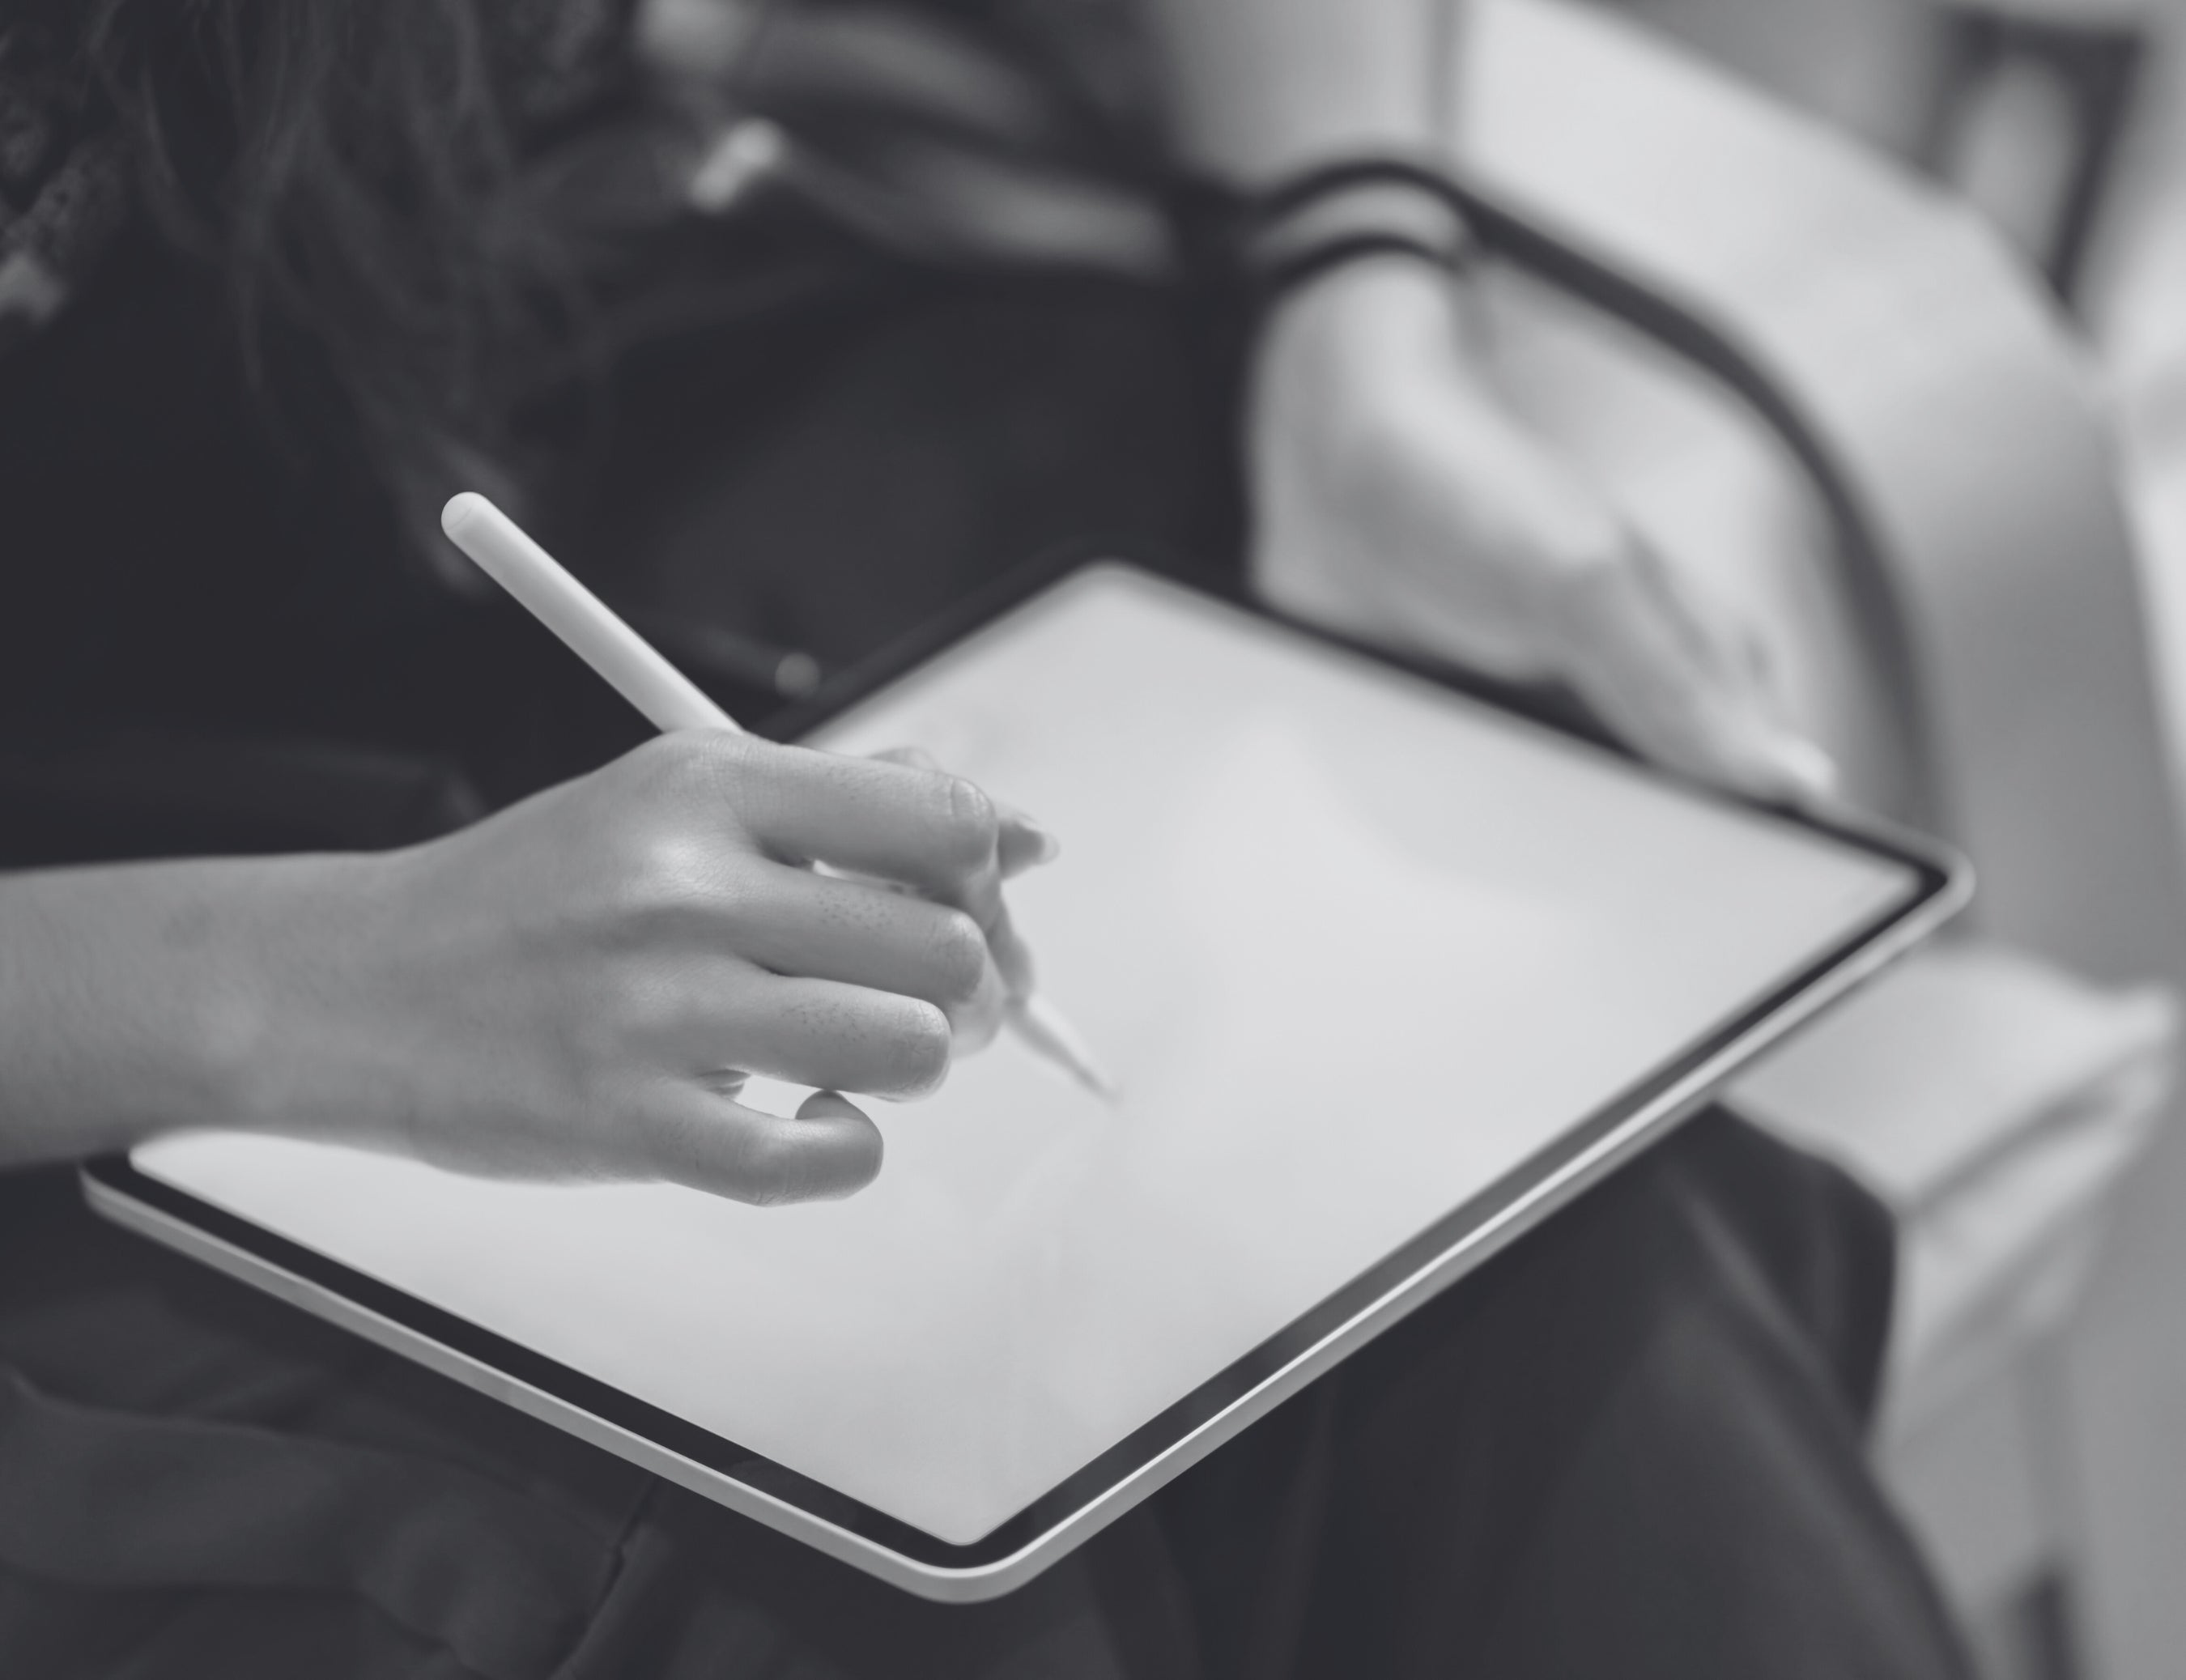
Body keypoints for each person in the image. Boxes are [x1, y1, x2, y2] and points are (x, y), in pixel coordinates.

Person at [0, 0, 1972, 1674]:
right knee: (837, 1536)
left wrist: (1349, 319)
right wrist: (298, 990)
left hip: (501, 410)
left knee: (1453, 1259)